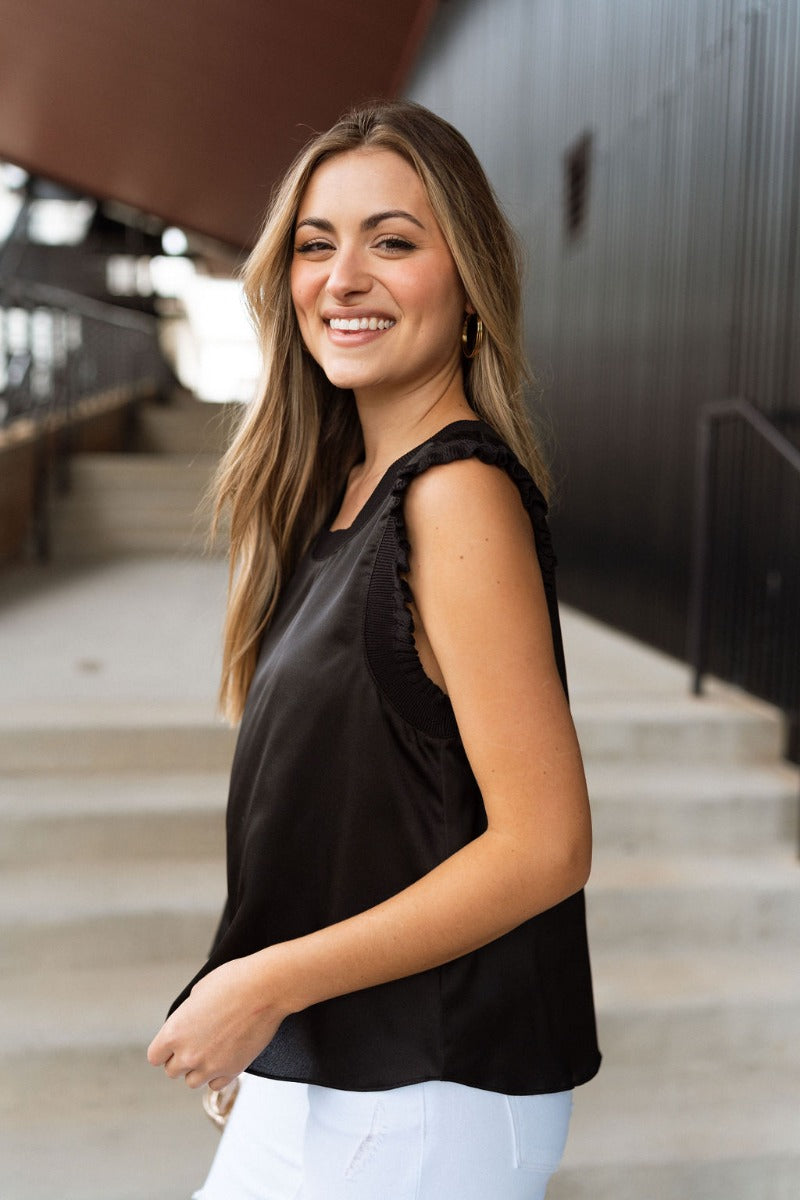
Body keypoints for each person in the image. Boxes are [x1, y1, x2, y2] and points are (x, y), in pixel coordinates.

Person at [147, 99, 600, 1199]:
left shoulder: (455, 496)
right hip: (340, 1079)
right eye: (315, 244)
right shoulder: (346, 501)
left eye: (391, 241)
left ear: (467, 282)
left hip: (421, 1100)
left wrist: (262, 985)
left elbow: (544, 844)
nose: (341, 277)